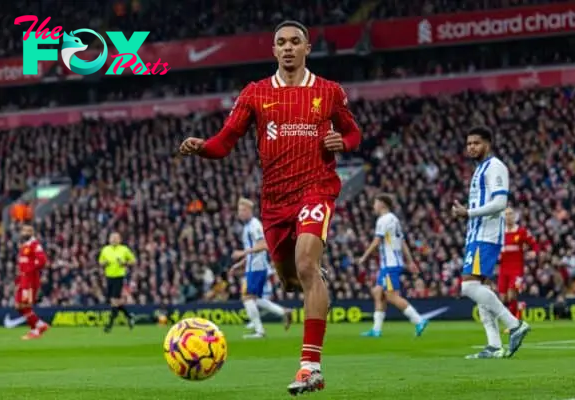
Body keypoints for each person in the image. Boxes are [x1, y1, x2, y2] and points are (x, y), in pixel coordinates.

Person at [179, 19, 361, 395]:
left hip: (316, 189)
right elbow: (224, 143)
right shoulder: (255, 93)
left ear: (307, 48)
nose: (289, 47)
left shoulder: (328, 92)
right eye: (282, 42)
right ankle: (314, 283)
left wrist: (342, 143)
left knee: (308, 265)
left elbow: (354, 132)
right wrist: (202, 147)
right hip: (274, 201)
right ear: (274, 50)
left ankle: (310, 368)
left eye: (296, 42)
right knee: (292, 280)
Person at [452, 126, 531, 359]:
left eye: (476, 143)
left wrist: (468, 213)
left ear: (488, 143)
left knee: (468, 287)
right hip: (475, 235)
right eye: (468, 144)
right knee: (482, 290)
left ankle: (515, 325)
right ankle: (494, 346)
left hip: (485, 236)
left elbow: (500, 203)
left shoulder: (495, 167)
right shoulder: (480, 170)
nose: (471, 147)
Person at [358, 194, 428, 337]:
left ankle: (419, 320)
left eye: (375, 203)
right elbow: (402, 242)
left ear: (382, 204)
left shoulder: (383, 220)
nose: (374, 206)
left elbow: (377, 241)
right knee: (378, 292)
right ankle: (376, 330)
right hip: (391, 263)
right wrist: (410, 261)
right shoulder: (395, 219)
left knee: (391, 296)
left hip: (390, 264)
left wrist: (364, 256)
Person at [230, 197, 292, 338]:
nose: (239, 213)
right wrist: (240, 263)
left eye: (242, 210)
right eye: (239, 210)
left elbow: (264, 245)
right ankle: (282, 312)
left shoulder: (254, 225)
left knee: (247, 298)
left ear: (248, 210)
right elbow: (253, 248)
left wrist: (242, 253)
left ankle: (259, 331)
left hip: (257, 267)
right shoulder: (248, 226)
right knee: (253, 298)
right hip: (252, 267)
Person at [499, 207, 538, 319]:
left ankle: (513, 323)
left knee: (512, 296)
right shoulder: (500, 233)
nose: (508, 216)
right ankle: (519, 308)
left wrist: (534, 252)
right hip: (503, 269)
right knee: (503, 299)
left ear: (514, 216)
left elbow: (534, 244)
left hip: (516, 269)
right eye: (506, 214)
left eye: (511, 214)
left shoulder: (521, 231)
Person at [15, 225, 49, 340]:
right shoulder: (24, 245)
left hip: (30, 280)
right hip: (23, 280)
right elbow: (22, 263)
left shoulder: (35, 244)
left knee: (25, 305)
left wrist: (29, 269)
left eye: (29, 231)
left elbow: (42, 261)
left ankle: (36, 329)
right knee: (19, 306)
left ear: (32, 232)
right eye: (24, 230)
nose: (26, 232)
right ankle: (39, 325)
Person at [98, 232, 136, 333]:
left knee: (114, 301)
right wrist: (104, 263)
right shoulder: (105, 249)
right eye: (112, 238)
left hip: (119, 277)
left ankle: (109, 325)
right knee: (114, 302)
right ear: (109, 239)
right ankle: (129, 317)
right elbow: (100, 261)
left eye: (116, 238)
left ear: (120, 240)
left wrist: (124, 263)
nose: (114, 240)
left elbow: (133, 261)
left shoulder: (124, 249)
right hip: (109, 277)